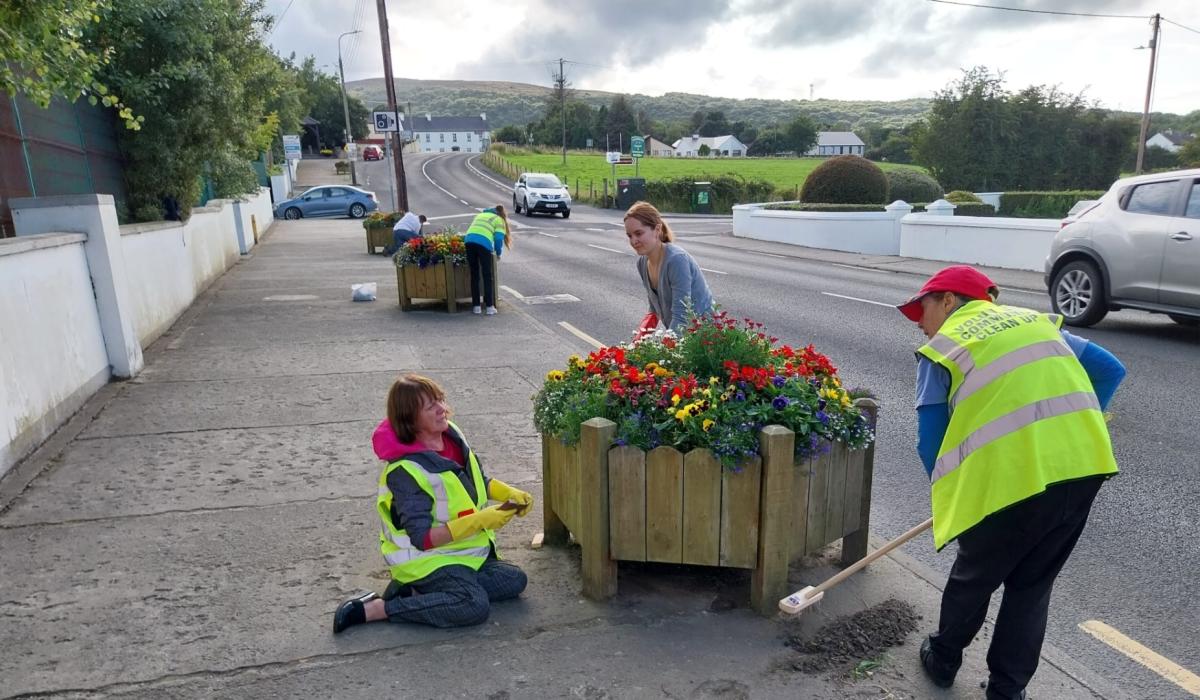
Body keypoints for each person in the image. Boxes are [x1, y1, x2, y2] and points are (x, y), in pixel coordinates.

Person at [896, 265, 1125, 700]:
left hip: (1011, 479)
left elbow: (931, 444)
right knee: (1032, 586)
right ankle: (1007, 691)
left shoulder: (945, 347)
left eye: (921, 309)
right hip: (1084, 464)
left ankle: (943, 659)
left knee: (974, 576)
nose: (920, 325)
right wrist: (1070, 425)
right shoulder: (1036, 323)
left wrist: (955, 499)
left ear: (948, 301)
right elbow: (1110, 370)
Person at [333, 373, 532, 633]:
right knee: (474, 606)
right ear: (411, 420)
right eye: (431, 406)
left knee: (514, 580)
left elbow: (475, 480)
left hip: (462, 555)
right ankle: (379, 609)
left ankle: (422, 594)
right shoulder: (404, 471)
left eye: (440, 399)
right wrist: (482, 520)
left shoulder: (452, 434)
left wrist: (508, 493)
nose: (442, 409)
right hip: (426, 560)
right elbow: (423, 539)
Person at [623, 201, 714, 334]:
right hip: (684, 337)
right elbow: (654, 311)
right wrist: (636, 346)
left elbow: (682, 315)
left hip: (707, 338)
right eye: (629, 235)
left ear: (657, 230)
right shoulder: (642, 263)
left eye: (639, 233)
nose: (633, 241)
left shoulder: (676, 260)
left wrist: (664, 350)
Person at [464, 205, 510, 315]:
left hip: (469, 241)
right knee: (487, 275)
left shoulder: (481, 215)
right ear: (501, 214)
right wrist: (498, 253)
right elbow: (498, 239)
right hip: (484, 243)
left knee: (474, 275)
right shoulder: (499, 220)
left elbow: (474, 229)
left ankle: (476, 307)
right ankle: (489, 307)